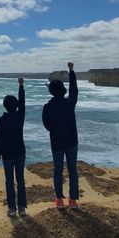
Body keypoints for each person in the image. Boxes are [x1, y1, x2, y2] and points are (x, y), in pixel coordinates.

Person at [42, 62, 79, 208]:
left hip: (57, 142)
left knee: (58, 170)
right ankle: (73, 200)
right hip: (71, 141)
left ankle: (59, 199)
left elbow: (47, 125)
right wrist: (71, 71)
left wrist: (55, 130)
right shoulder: (70, 103)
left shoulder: (48, 107)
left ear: (51, 91)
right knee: (72, 170)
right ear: (63, 90)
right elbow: (74, 89)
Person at [0, 77, 27, 217]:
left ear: (4, 106)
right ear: (16, 105)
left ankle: (12, 208)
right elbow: (23, 104)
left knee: (9, 181)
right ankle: (22, 208)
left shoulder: (1, 120)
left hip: (7, 155)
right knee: (20, 180)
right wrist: (21, 86)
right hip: (20, 152)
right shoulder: (20, 116)